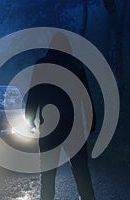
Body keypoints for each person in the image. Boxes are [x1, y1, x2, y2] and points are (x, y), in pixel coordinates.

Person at [25, 32, 96, 200]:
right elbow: (86, 97)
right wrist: (92, 122)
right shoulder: (76, 65)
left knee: (48, 174)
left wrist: (30, 118)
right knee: (81, 170)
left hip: (49, 126)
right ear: (67, 46)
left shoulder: (41, 64)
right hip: (74, 125)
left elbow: (34, 92)